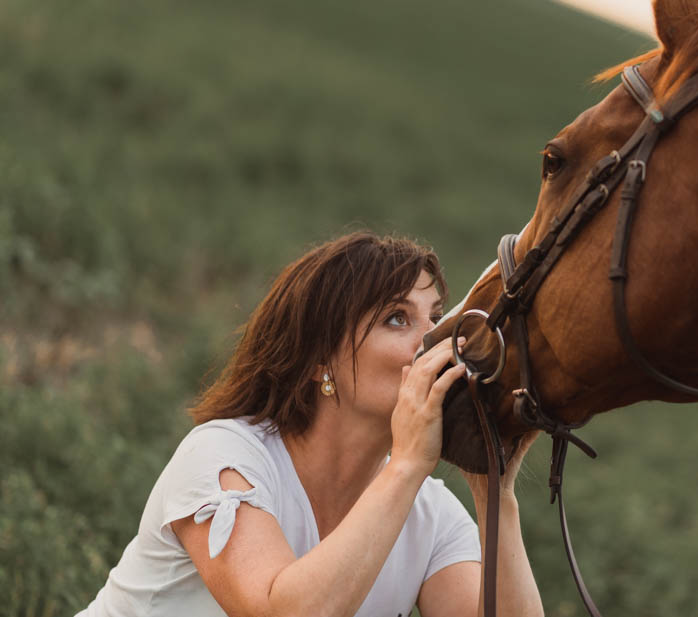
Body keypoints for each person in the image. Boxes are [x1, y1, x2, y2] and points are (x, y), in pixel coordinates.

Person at [76, 231, 542, 617]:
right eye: (397, 319)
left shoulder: (429, 514)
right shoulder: (223, 458)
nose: (436, 343)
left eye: (436, 318)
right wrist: (405, 465)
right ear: (321, 357)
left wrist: (494, 493)